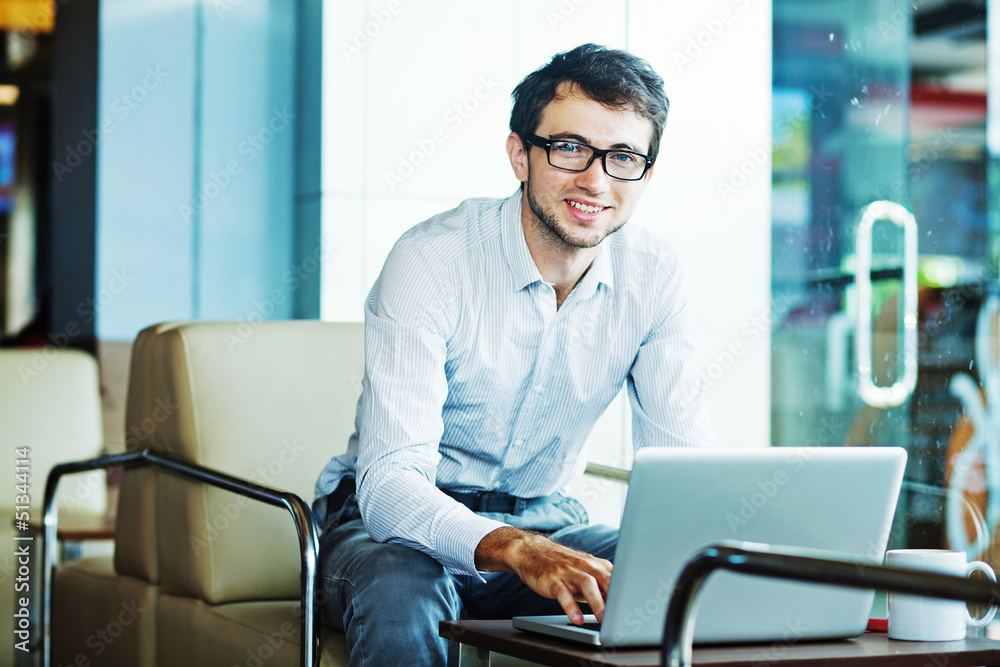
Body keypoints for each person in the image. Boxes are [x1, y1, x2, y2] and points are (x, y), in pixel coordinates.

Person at [313, 43, 714, 666]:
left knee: (686, 581)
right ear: (519, 155)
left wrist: (695, 551)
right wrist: (517, 549)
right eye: (570, 148)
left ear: (647, 173)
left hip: (548, 520)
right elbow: (390, 487)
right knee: (403, 584)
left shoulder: (655, 276)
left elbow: (684, 473)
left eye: (624, 157)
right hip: (384, 534)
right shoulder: (431, 260)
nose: (596, 180)